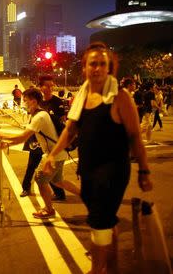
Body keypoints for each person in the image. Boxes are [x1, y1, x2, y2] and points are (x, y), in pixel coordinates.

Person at [43, 42, 153, 273]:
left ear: (110, 68)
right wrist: (52, 155)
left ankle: (96, 269)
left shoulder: (119, 97)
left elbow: (134, 136)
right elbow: (70, 130)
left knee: (99, 222)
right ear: (84, 67)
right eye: (93, 64)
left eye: (103, 64)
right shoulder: (83, 95)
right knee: (105, 221)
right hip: (89, 170)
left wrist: (144, 171)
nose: (98, 68)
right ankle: (112, 268)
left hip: (113, 171)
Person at [0, 87, 79, 217]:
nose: (23, 103)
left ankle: (49, 210)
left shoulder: (39, 117)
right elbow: (26, 137)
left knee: (40, 179)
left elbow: (22, 137)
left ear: (34, 101)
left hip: (54, 154)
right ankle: (87, 195)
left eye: (25, 100)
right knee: (58, 181)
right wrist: (8, 143)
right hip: (58, 153)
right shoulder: (39, 114)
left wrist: (2, 135)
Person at [38, 75, 67, 201]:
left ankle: (50, 204)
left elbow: (63, 121)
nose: (50, 88)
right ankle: (60, 194)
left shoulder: (57, 102)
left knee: (43, 176)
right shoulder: (39, 102)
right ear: (40, 87)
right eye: (47, 85)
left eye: (52, 85)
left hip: (55, 142)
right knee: (56, 177)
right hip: (42, 141)